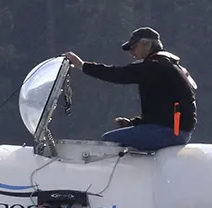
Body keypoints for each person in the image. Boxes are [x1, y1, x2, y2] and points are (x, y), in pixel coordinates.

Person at [63, 26, 198, 151]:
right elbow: (161, 111)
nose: (132, 53)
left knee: (109, 141)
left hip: (170, 132)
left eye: (134, 47)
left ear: (148, 45)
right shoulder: (167, 65)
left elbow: (118, 74)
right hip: (174, 130)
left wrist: (82, 65)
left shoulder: (156, 66)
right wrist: (133, 123)